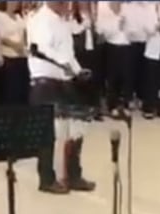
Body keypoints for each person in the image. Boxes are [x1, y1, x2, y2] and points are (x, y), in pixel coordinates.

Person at [28, 1, 95, 195]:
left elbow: (68, 53)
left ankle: (73, 175)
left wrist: (78, 70)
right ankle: (47, 179)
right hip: (45, 80)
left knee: (76, 127)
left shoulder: (62, 21)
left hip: (65, 80)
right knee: (48, 132)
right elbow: (42, 48)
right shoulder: (40, 19)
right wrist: (64, 63)